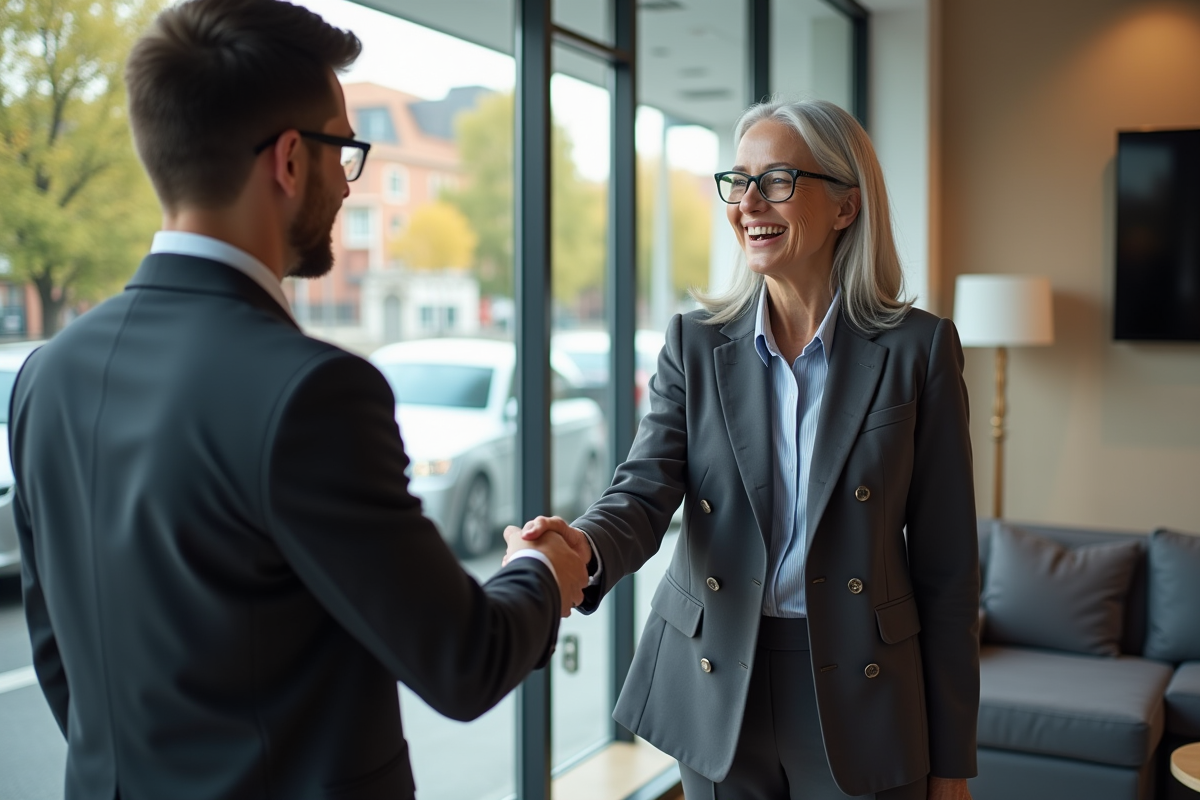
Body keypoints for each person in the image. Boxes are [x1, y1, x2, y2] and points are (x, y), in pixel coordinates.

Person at [9, 1, 587, 798]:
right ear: (288, 159)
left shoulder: (49, 372)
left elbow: (60, 661)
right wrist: (545, 570)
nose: (349, 184)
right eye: (344, 149)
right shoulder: (313, 392)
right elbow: (464, 660)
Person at [514, 99, 980, 800]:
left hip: (862, 687)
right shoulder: (693, 345)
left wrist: (952, 763)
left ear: (846, 207)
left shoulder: (918, 350)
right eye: (739, 181)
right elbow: (641, 494)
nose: (749, 202)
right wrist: (577, 547)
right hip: (716, 677)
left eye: (780, 180)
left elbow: (948, 572)